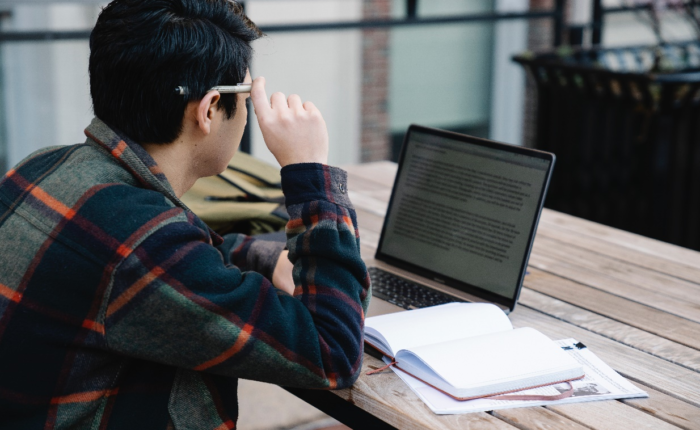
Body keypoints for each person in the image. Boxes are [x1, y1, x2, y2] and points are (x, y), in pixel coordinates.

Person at [0, 0, 370, 428]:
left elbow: (177, 260)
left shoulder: (42, 166)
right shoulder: (144, 242)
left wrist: (269, 259)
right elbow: (333, 354)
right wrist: (311, 172)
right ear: (210, 108)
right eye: (248, 96)